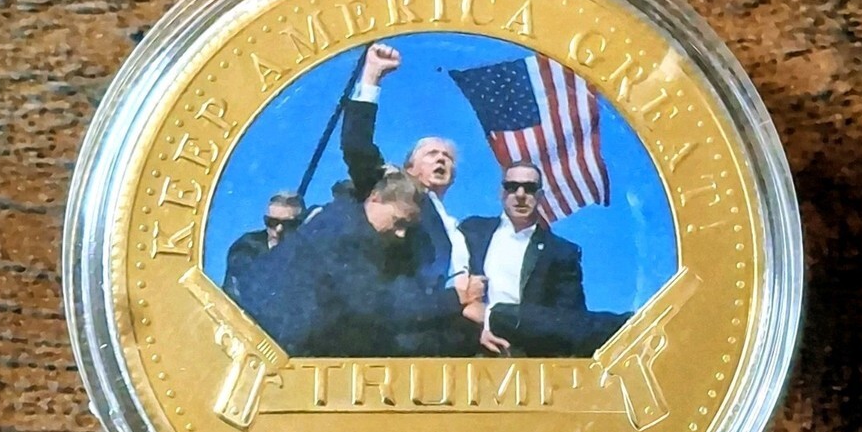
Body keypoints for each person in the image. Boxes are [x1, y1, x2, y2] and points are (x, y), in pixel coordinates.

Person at [241, 170, 482, 357]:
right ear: (375, 198)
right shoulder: (346, 234)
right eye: (398, 222)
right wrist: (456, 298)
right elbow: (376, 305)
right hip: (275, 347)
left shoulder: (344, 221)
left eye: (408, 227)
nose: (401, 234)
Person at [341, 43, 479, 298]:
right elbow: (357, 146)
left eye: (447, 157)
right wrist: (372, 76)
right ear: (409, 167)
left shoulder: (457, 228)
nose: (441, 160)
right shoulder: (393, 192)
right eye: (431, 154)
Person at [461, 162, 630, 357]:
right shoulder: (473, 231)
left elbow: (568, 321)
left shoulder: (560, 252)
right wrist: (477, 330)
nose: (521, 194)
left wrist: (490, 316)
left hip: (529, 354)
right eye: (512, 187)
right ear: (501, 192)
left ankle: (635, 324)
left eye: (530, 188)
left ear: (540, 196)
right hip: (471, 351)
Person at [223, 192, 305, 302]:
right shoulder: (246, 248)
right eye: (272, 222)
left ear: (302, 223)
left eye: (289, 224)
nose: (279, 229)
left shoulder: (310, 254)